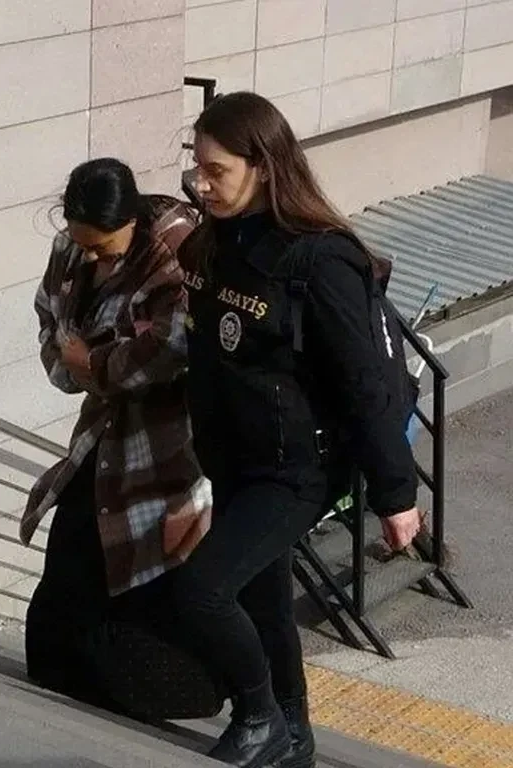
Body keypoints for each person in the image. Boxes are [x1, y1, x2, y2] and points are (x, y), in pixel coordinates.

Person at [177, 91, 422, 768]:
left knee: (202, 592)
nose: (201, 183)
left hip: (295, 467)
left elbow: (365, 384)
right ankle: (293, 733)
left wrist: (396, 495)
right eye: (196, 167)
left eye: (215, 170)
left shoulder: (320, 260)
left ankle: (258, 716)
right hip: (234, 455)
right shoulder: (215, 240)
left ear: (262, 165)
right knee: (263, 602)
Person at [20, 158, 218, 719]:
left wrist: (95, 364)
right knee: (69, 576)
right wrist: (79, 366)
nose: (90, 257)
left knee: (147, 583)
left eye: (103, 248)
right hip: (104, 436)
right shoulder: (71, 249)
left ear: (132, 223)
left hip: (169, 448)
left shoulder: (178, 252)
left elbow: (173, 348)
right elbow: (52, 324)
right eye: (82, 245)